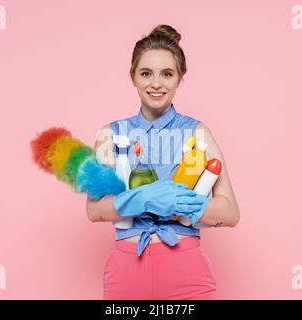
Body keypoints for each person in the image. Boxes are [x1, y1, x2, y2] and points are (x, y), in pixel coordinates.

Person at [86, 24, 240, 300]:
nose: (156, 83)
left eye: (167, 74)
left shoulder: (198, 133)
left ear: (180, 78)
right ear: (132, 76)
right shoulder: (111, 134)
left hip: (188, 274)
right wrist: (143, 199)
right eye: (146, 73)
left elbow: (230, 213)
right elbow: (94, 209)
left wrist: (186, 205)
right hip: (126, 274)